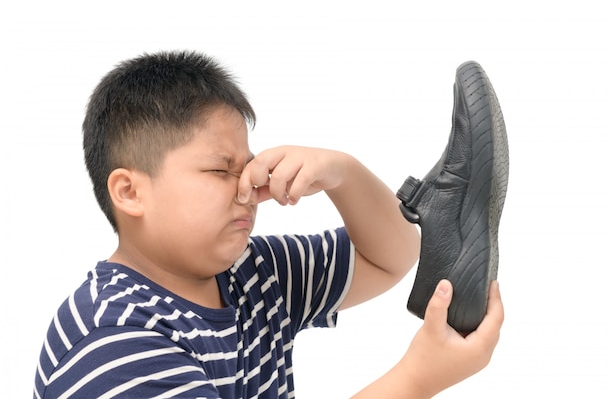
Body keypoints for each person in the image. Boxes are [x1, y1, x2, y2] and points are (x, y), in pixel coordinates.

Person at [33, 50, 504, 399]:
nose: (247, 190)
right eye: (221, 171)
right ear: (130, 192)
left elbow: (391, 257)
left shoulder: (251, 274)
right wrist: (418, 378)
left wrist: (342, 173)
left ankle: (441, 210)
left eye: (249, 168)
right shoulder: (111, 337)